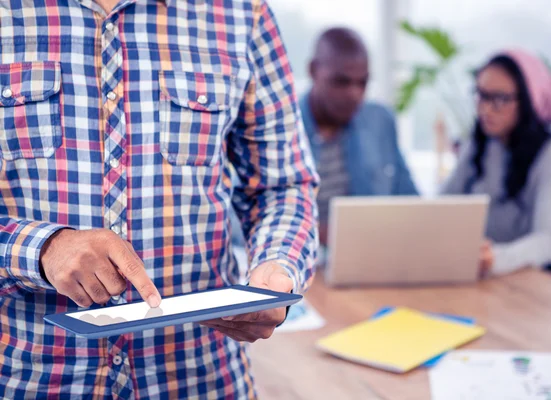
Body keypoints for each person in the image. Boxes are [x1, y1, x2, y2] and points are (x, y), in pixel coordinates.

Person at [0, 0, 318, 398]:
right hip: (29, 378)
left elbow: (282, 185)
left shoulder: (243, 13)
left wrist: (278, 268)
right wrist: (41, 248)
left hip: (202, 379)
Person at [441, 49, 551, 287]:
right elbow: (444, 205)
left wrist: (494, 259)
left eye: (498, 99)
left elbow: (548, 240)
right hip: (496, 280)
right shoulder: (478, 145)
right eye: (480, 95)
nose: (485, 109)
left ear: (529, 100)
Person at [302, 27, 418, 246]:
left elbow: (409, 199)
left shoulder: (380, 120)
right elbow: (242, 221)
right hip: (301, 265)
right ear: (313, 70)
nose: (354, 93)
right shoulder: (279, 127)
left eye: (362, 82)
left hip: (372, 258)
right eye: (341, 82)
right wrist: (316, 232)